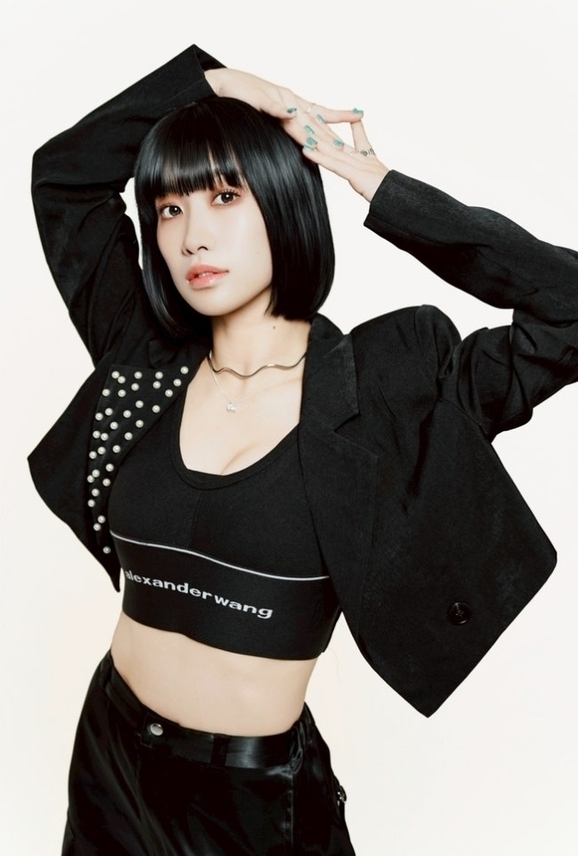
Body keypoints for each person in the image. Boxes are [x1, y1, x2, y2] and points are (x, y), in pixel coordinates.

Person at [30, 44, 578, 855]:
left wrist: (383, 189)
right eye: (170, 209)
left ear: (285, 202)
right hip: (109, 758)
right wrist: (216, 83)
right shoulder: (141, 352)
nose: (192, 235)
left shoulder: (390, 390)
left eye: (225, 196)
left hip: (249, 801)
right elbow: (64, 176)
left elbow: (569, 309)